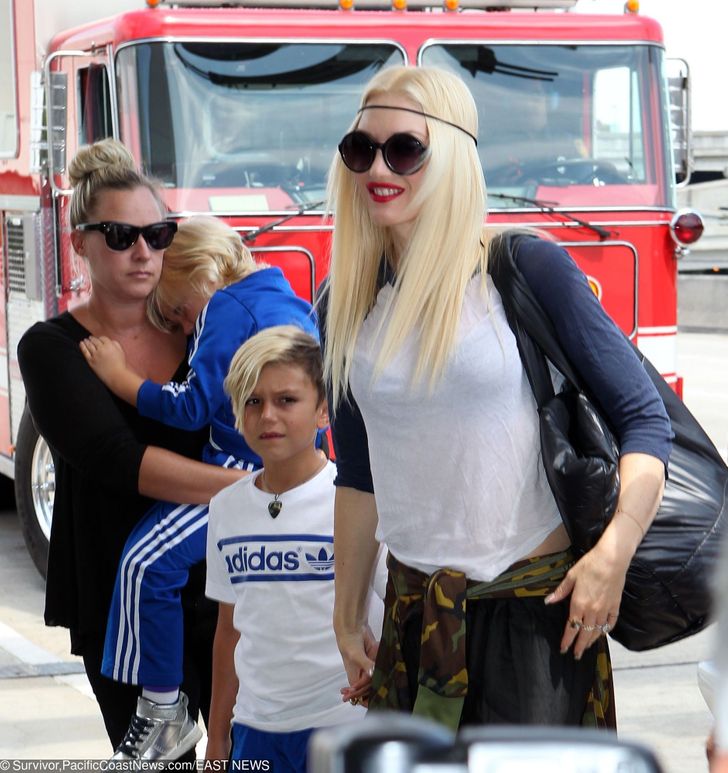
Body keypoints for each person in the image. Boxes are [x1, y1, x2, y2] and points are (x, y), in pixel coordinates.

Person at [322, 65, 672, 730]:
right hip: (413, 619)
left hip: (533, 621)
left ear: (454, 156)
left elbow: (644, 419)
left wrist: (612, 555)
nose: (378, 168)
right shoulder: (344, 303)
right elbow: (359, 475)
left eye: (405, 149)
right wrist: (345, 615)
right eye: (360, 149)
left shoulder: (522, 268)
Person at [16, 139, 244, 754]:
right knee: (163, 761)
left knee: (249, 756)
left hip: (229, 588)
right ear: (79, 243)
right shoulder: (52, 349)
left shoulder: (202, 331)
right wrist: (258, 490)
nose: (143, 252)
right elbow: (120, 461)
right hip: (122, 605)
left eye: (158, 234)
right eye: (120, 236)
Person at [78, 216, 316, 759]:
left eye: (180, 315)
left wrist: (120, 378)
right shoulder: (286, 296)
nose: (186, 331)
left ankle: (164, 711)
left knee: (145, 562)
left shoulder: (225, 307)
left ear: (199, 273)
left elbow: (191, 405)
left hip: (246, 461)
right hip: (281, 464)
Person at [205, 325, 373, 771]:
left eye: (286, 400)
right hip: (255, 731)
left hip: (344, 725)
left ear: (323, 410)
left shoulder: (355, 503)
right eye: (253, 402)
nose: (267, 416)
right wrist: (217, 738)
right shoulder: (225, 508)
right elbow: (229, 630)